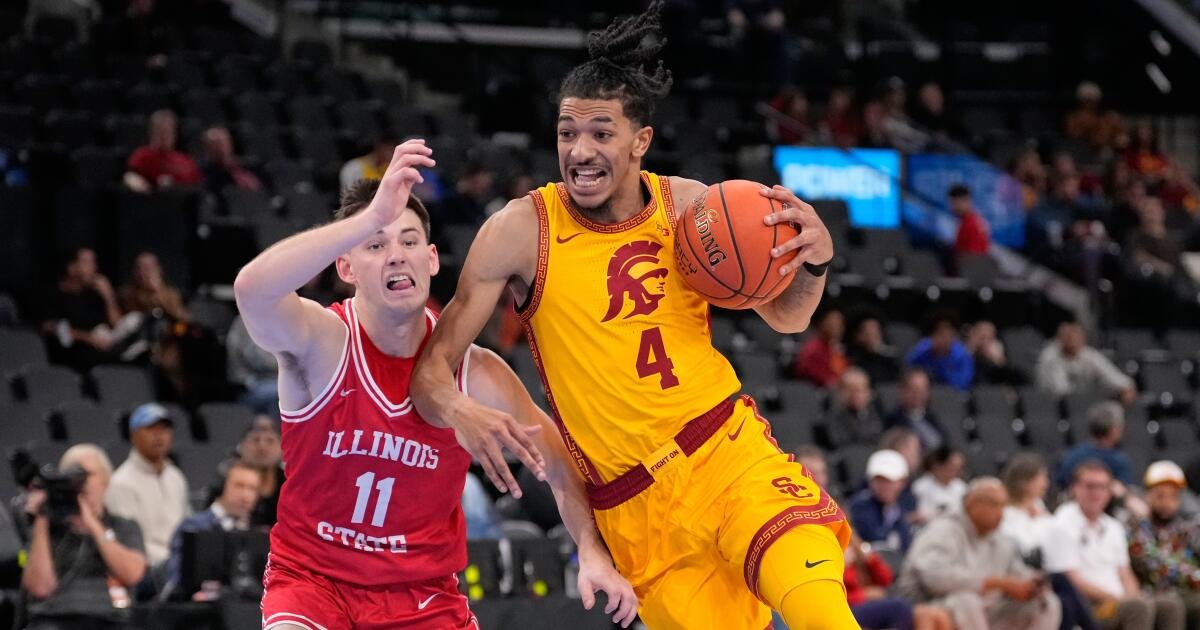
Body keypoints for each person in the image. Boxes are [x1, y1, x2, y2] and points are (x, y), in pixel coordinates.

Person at [411, 4, 854, 628]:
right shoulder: (519, 230)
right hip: (634, 507)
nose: (580, 151)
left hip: (725, 451)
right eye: (568, 133)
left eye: (600, 133)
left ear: (640, 140)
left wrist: (813, 263)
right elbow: (430, 374)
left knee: (820, 608)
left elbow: (786, 319)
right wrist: (460, 409)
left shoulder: (693, 209)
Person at [232, 142, 636, 629]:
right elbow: (251, 291)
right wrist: (367, 216)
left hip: (421, 599)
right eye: (376, 245)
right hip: (314, 585)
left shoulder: (476, 372)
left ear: (431, 260)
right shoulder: (324, 343)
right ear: (345, 267)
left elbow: (556, 459)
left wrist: (591, 551)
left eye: (407, 242)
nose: (395, 256)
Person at [897, 478, 1062, 630]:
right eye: (994, 505)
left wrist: (1031, 583)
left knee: (1046, 603)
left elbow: (1016, 573)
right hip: (926, 605)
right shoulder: (944, 529)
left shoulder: (999, 539)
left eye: (1003, 506)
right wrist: (995, 583)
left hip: (982, 612)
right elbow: (933, 578)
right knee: (966, 601)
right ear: (972, 504)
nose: (1001, 513)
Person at [21, 444, 146, 630]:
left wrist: (94, 525)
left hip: (111, 619)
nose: (81, 483)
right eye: (73, 476)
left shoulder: (123, 526)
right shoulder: (48, 530)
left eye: (87, 474)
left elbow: (133, 574)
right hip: (54, 620)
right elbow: (40, 588)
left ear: (106, 481)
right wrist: (41, 518)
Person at [1052, 460, 1184, 630]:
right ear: (1075, 488)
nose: (1096, 493)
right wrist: (1117, 598)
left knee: (1169, 604)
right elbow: (1070, 578)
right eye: (1090, 486)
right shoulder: (1062, 522)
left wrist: (1132, 595)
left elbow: (1125, 573)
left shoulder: (1113, 526)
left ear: (1109, 491)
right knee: (1137, 607)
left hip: (1119, 601)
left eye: (1102, 487)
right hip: (1088, 605)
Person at [1000, 453, 1098, 630]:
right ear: (1025, 482)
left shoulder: (1039, 507)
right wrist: (1039, 522)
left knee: (1066, 602)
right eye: (1041, 478)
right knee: (1061, 582)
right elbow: (1025, 547)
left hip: (1047, 572)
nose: (1046, 483)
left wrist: (1041, 520)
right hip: (1023, 572)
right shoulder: (1007, 514)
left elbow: (1056, 539)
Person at [105, 402, 190, 571]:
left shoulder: (176, 477)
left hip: (179, 564)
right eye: (151, 428)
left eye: (164, 429)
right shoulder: (121, 482)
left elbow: (187, 526)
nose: (159, 435)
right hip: (147, 570)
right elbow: (128, 542)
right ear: (133, 435)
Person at [164, 459, 261, 599]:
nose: (246, 496)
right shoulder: (192, 528)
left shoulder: (257, 534)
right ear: (220, 487)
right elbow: (176, 582)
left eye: (252, 489)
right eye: (239, 486)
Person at [1128, 461, 1200, 627]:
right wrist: (1196, 577)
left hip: (1187, 592)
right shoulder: (1136, 529)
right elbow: (1160, 569)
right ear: (1147, 496)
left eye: (1173, 497)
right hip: (1156, 594)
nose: (1167, 503)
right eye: (1160, 496)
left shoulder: (1183, 528)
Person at [39, 247, 130, 371]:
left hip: (104, 348)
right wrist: (89, 338)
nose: (93, 269)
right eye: (87, 263)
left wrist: (109, 297)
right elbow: (48, 327)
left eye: (94, 263)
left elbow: (117, 325)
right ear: (71, 268)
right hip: (73, 353)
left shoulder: (95, 295)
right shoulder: (54, 294)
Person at [1036, 322, 1137, 405]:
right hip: (1054, 406)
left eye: (1076, 336)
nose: (1073, 340)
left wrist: (1126, 387)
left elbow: (1117, 378)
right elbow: (1061, 392)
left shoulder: (1089, 354)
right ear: (1060, 339)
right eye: (1068, 336)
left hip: (1084, 406)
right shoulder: (1050, 356)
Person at [1055, 401, 1135, 488]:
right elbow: (1122, 493)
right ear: (1113, 430)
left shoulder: (1071, 455)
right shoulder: (1119, 461)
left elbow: (1060, 486)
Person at [849, 450, 915, 553]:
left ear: (902, 482)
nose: (883, 486)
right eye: (878, 480)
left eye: (889, 481)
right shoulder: (859, 507)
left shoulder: (902, 508)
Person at [123, 110, 201, 193]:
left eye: (169, 131)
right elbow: (130, 176)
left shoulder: (185, 160)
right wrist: (132, 180)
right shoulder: (142, 156)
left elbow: (197, 185)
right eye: (161, 131)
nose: (165, 136)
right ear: (152, 132)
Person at [226, 315, 280, 415]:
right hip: (252, 383)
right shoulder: (244, 321)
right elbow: (240, 358)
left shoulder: (289, 317)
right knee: (277, 393)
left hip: (285, 381)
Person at [883, 368, 947, 452]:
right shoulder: (892, 420)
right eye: (913, 389)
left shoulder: (932, 418)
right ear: (902, 391)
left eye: (923, 389)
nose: (918, 394)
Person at [905, 317, 974, 391]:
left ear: (953, 337)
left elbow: (962, 384)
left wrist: (943, 367)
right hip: (926, 392)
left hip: (953, 394)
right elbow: (908, 365)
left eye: (947, 336)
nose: (943, 339)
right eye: (940, 334)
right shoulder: (924, 348)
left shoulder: (962, 355)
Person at [117, 251, 189, 322]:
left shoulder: (171, 293)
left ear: (159, 269)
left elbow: (183, 317)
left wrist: (157, 292)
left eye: (148, 268)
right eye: (139, 268)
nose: (143, 273)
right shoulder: (127, 293)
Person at [822, 367, 884, 449]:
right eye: (851, 390)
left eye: (862, 390)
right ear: (841, 392)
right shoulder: (832, 420)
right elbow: (842, 446)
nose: (857, 395)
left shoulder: (875, 414)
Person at [792, 307, 848, 387]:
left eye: (839, 324)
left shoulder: (837, 350)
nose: (836, 327)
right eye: (832, 323)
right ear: (822, 322)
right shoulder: (813, 348)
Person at [199, 126, 262, 194]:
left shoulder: (250, 165)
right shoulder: (205, 171)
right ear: (207, 148)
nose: (221, 148)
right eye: (216, 145)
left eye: (223, 143)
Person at [911, 445, 966, 521]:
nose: (958, 472)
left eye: (960, 468)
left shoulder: (962, 488)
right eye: (953, 467)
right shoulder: (920, 487)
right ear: (940, 466)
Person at [846, 312, 899, 385]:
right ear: (858, 335)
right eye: (868, 331)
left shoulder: (890, 357)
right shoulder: (851, 358)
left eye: (876, 330)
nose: (873, 335)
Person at [950, 184, 989, 256]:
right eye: (952, 203)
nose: (953, 207)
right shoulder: (965, 222)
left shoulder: (973, 224)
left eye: (955, 203)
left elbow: (973, 256)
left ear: (967, 201)